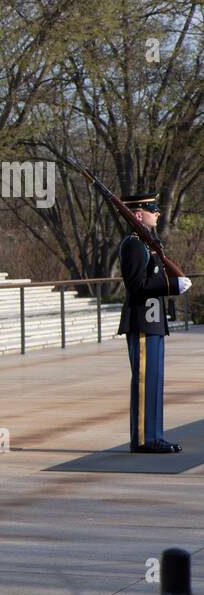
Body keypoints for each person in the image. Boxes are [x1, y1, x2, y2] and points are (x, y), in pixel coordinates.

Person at [117, 193, 191, 453]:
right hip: (141, 322)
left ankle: (154, 435)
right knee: (145, 382)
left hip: (154, 322)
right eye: (152, 209)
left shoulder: (148, 244)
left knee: (155, 382)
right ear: (137, 214)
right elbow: (136, 286)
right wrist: (171, 285)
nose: (157, 213)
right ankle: (143, 439)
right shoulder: (134, 245)